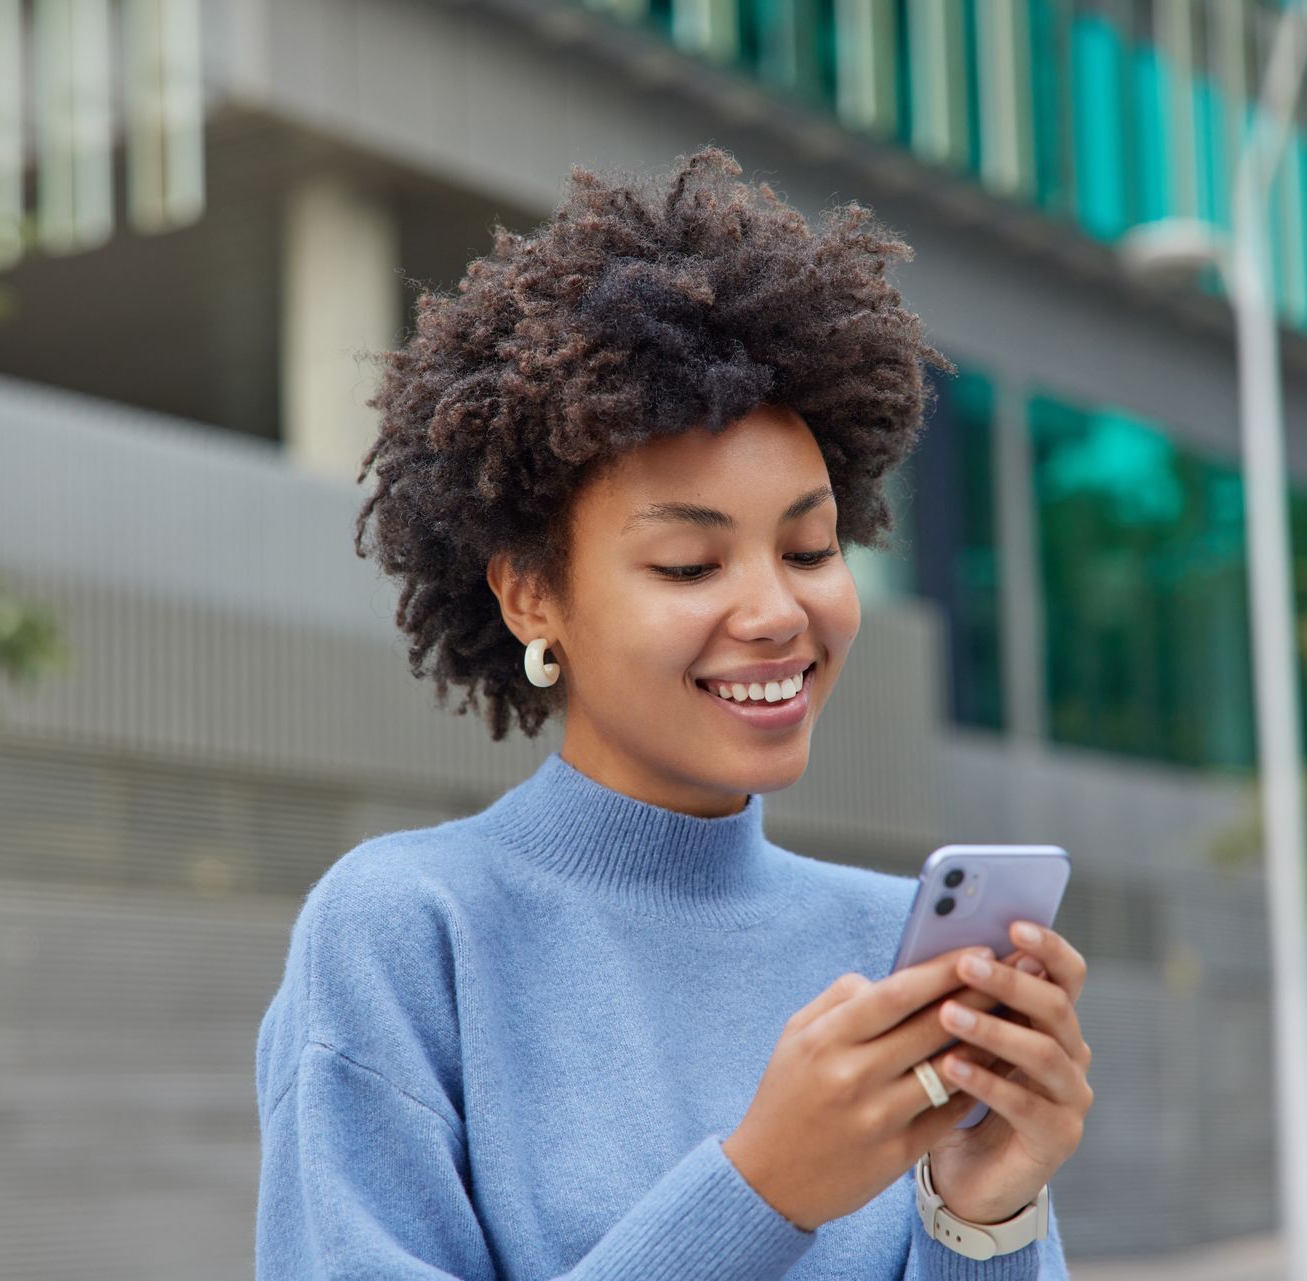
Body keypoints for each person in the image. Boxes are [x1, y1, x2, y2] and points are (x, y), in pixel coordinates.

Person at [254, 146, 1089, 1279]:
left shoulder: (897, 955)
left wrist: (982, 1223)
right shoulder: (408, 933)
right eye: (691, 564)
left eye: (808, 547)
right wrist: (760, 1191)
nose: (777, 611)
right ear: (530, 593)